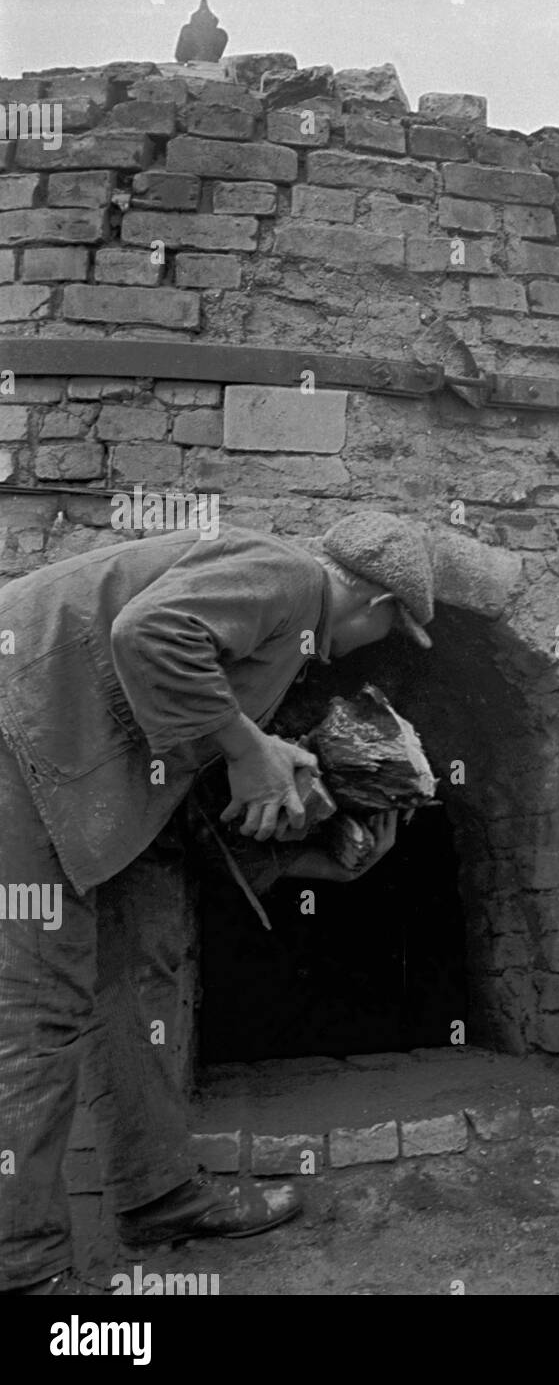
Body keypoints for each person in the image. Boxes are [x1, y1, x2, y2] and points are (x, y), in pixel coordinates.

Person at [0, 510, 434, 1295]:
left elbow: (197, 776)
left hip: (92, 773)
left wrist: (307, 843)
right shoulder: (290, 575)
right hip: (24, 737)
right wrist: (247, 747)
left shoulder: (283, 627)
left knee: (143, 967)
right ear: (376, 606)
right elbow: (148, 635)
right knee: (39, 1007)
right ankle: (25, 1270)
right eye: (392, 631)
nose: (381, 643)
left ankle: (159, 1195)